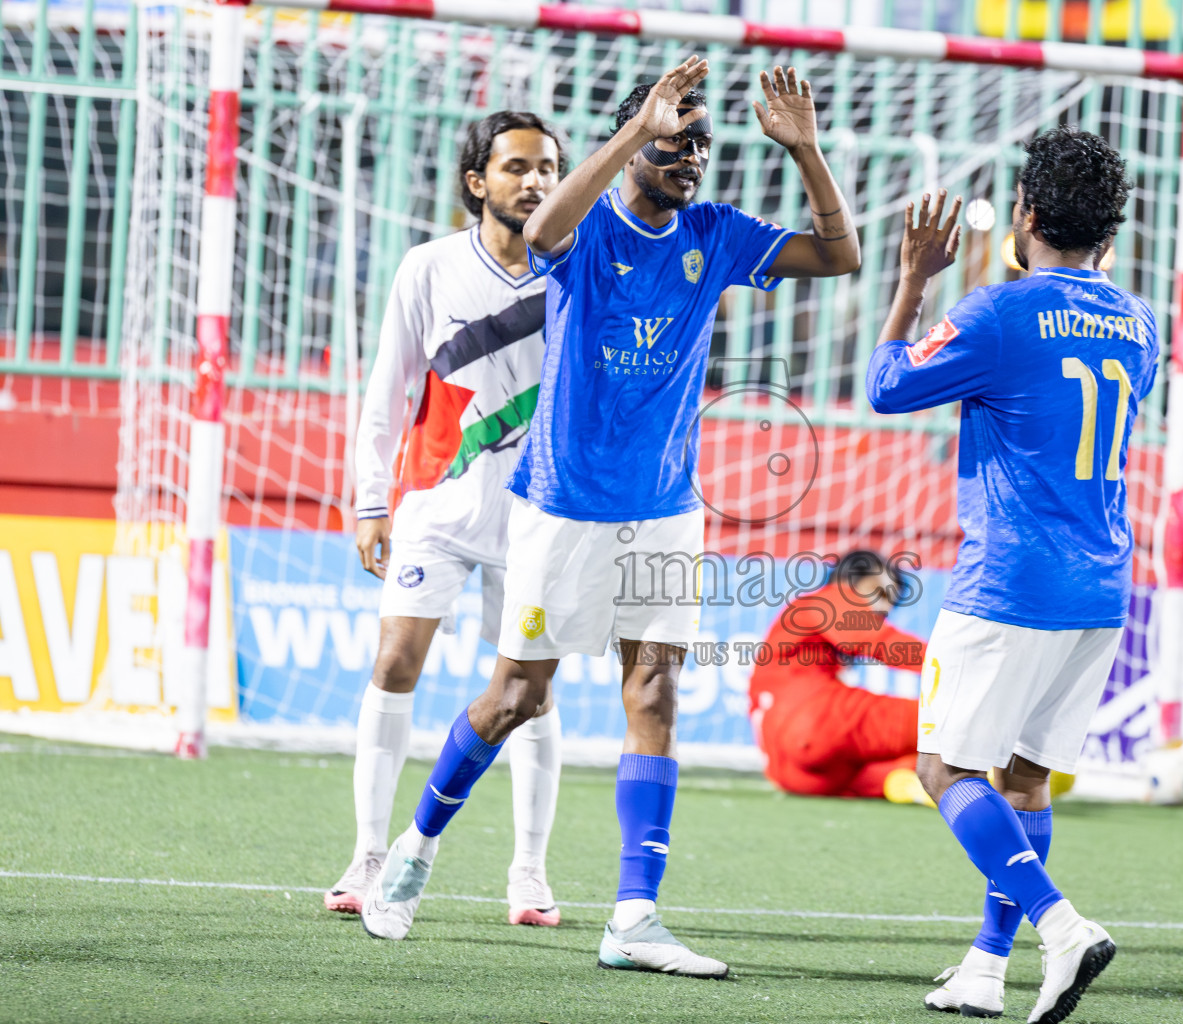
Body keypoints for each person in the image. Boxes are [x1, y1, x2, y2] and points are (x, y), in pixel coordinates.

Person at [360, 57, 860, 979]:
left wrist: (806, 152)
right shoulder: (585, 227)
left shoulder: (716, 234)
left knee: (655, 694)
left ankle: (634, 917)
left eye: (701, 144)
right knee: (516, 698)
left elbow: (840, 256)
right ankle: (415, 849)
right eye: (675, 142)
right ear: (636, 149)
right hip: (561, 507)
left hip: (666, 509)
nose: (691, 157)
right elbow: (541, 231)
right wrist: (638, 126)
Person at [866, 126, 1156, 1023]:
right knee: (1025, 780)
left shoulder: (998, 313)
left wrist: (915, 281)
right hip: (1101, 586)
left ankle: (1060, 928)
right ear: (1111, 229)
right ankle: (987, 968)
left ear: (1024, 213)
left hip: (1011, 583)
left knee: (944, 769)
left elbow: (886, 387)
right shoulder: (1140, 324)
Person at [329, 111, 566, 929]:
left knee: (530, 695)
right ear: (477, 181)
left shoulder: (575, 270)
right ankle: (368, 853)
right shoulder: (428, 267)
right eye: (517, 166)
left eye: (548, 167)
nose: (535, 181)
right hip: (437, 505)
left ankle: (528, 870)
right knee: (395, 661)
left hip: (540, 517)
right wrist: (371, 500)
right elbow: (388, 386)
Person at [748, 550, 931, 804]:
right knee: (945, 723)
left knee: (880, 771)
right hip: (812, 720)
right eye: (879, 591)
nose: (886, 607)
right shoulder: (825, 600)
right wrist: (954, 666)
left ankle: (903, 782)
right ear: (848, 581)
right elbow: (877, 640)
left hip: (789, 772)